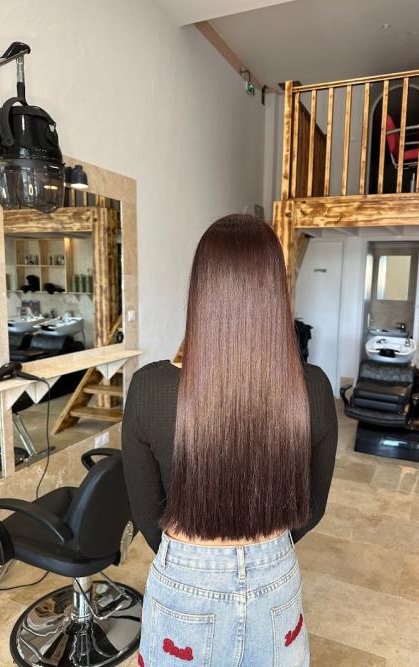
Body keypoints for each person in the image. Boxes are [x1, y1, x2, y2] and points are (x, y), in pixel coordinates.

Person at [122, 214, 338, 666]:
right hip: (276, 580)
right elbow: (312, 507)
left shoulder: (149, 388)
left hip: (184, 581)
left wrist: (193, 560)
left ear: (201, 292)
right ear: (275, 292)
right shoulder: (315, 388)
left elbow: (145, 514)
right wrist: (262, 550)